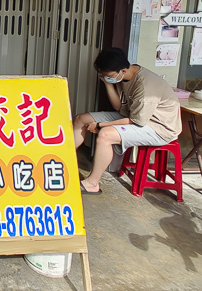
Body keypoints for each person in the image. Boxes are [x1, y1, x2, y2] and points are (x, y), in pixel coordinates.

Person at [73, 48, 181, 194]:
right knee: (81, 119)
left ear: (122, 70)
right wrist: (108, 83)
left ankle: (92, 184)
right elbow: (119, 106)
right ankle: (66, 158)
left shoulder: (144, 86)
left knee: (105, 135)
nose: (105, 77)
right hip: (135, 117)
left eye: (108, 75)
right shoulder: (124, 76)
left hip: (158, 128)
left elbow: (136, 121)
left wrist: (100, 125)